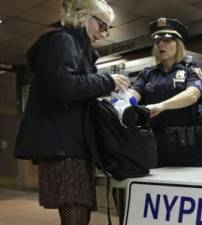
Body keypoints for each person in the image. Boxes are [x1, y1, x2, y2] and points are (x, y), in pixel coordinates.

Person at [14, 1, 130, 224]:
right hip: (64, 146)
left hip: (70, 144)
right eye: (102, 25)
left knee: (78, 210)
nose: (104, 33)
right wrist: (108, 81)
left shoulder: (76, 47)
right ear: (84, 16)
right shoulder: (62, 41)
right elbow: (65, 86)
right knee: (75, 211)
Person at [130, 17, 202, 167]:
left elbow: (192, 95)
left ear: (178, 44)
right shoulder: (147, 74)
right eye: (158, 41)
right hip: (155, 147)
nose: (161, 44)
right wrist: (122, 100)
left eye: (167, 40)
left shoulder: (190, 69)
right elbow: (132, 95)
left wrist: (162, 106)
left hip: (186, 148)